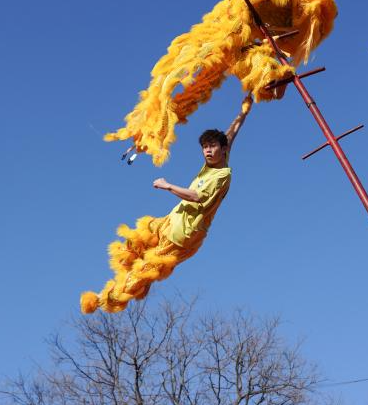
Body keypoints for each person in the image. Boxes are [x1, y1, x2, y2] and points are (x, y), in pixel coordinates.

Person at [80, 95, 253, 314]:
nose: (208, 151)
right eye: (205, 147)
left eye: (212, 147)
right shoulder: (215, 162)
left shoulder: (222, 175)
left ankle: (105, 299)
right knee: (143, 232)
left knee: (146, 269)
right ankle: (134, 276)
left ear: (223, 149)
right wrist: (244, 110)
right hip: (171, 221)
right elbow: (231, 134)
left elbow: (196, 196)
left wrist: (167, 185)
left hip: (183, 235)